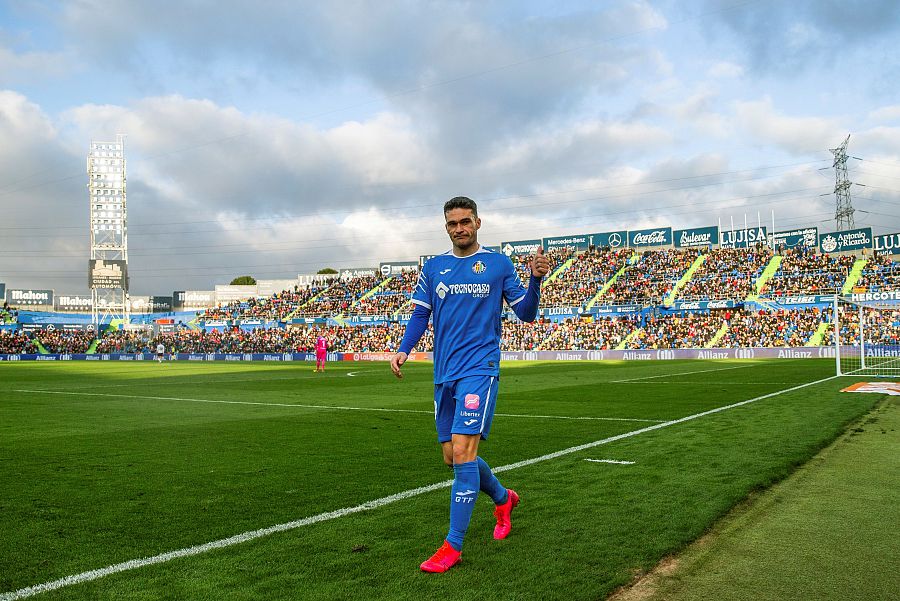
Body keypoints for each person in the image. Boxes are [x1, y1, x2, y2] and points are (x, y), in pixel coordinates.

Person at [390, 196, 549, 573]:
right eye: (452, 223)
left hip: (480, 368)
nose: (459, 228)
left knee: (463, 452)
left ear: (478, 223)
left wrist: (535, 280)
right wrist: (404, 349)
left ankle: (452, 546)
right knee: (452, 457)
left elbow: (525, 314)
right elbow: (419, 314)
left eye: (465, 221)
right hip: (444, 373)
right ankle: (503, 497)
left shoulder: (498, 264)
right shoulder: (434, 268)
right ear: (446, 227)